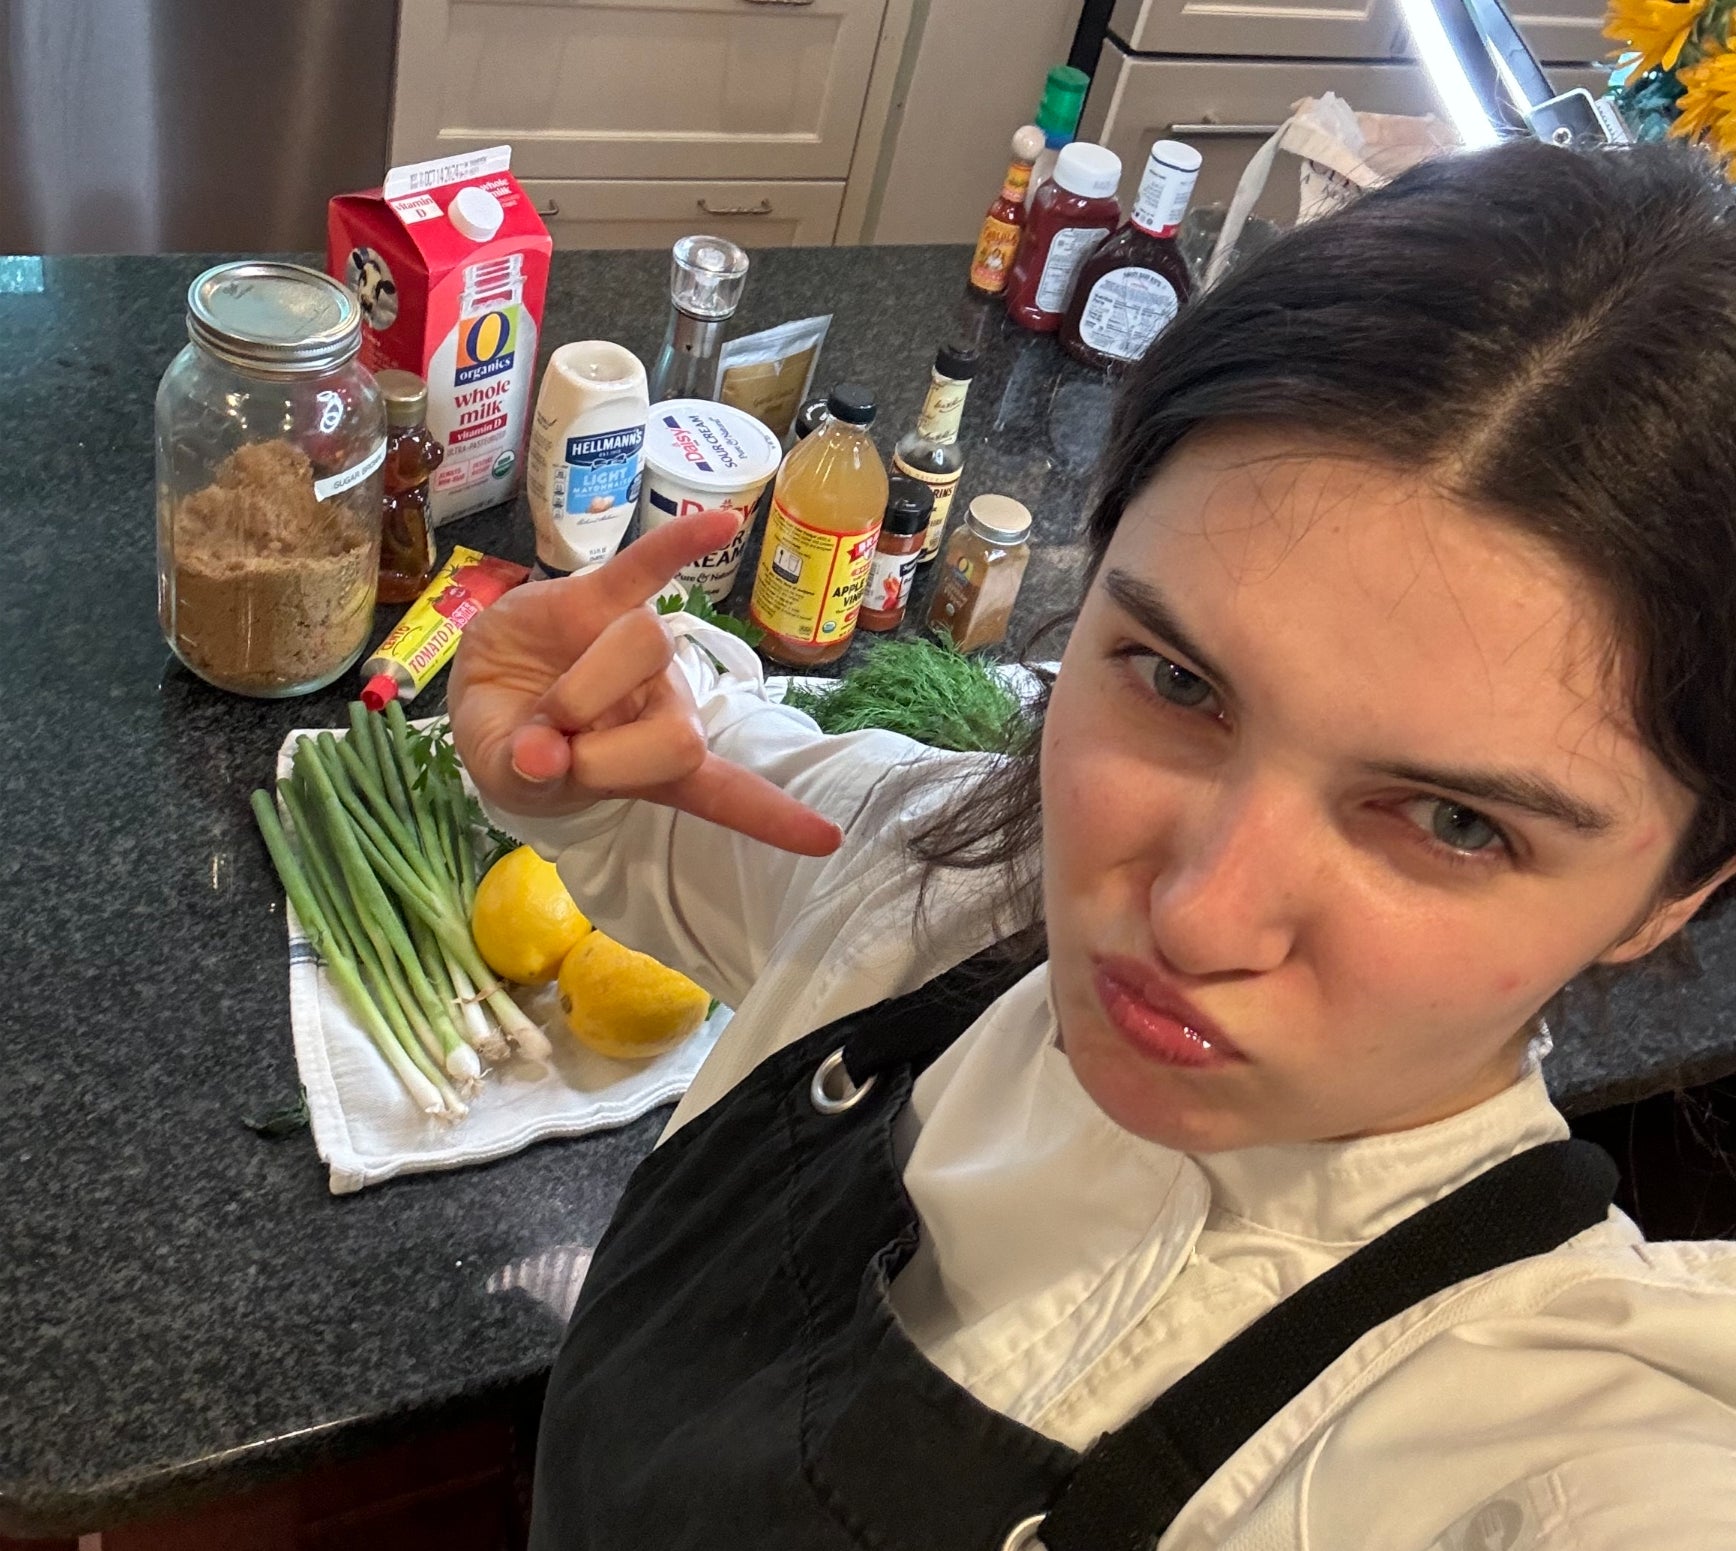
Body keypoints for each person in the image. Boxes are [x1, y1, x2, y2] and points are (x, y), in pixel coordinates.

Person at [450, 139, 1736, 1550]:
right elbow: (654, 788)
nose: (1196, 916)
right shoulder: (950, 884)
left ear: (1676, 893)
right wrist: (559, 739)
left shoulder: (1573, 1457)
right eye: (1176, 682)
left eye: (1455, 822)